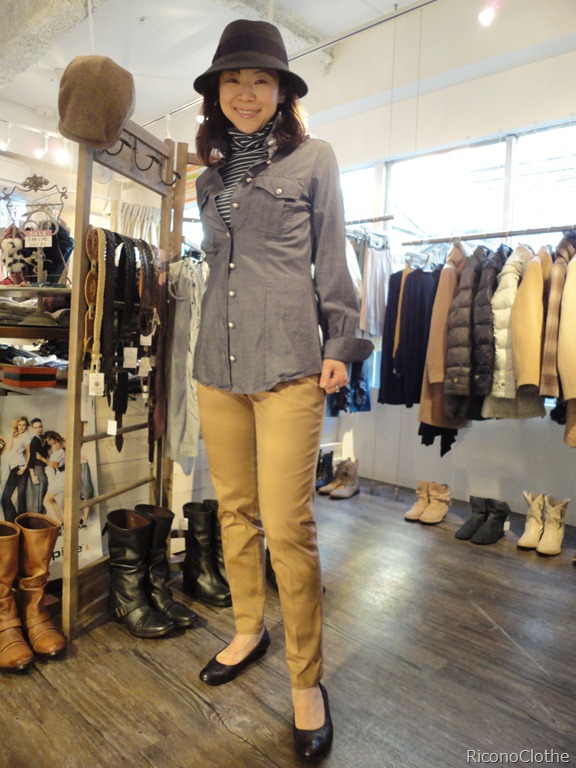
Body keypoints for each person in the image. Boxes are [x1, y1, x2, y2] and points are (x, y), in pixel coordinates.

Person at [192, 19, 373, 761]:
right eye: (233, 80)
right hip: (217, 364)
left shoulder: (314, 158)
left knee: (288, 524)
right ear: (216, 92)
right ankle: (247, 630)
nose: (246, 92)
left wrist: (342, 344)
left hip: (292, 364)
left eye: (260, 80)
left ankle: (306, 679)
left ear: (281, 91)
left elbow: (334, 256)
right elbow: (219, 269)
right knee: (233, 510)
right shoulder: (207, 181)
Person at [1, 416, 32, 522]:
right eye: (19, 425)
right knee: (5, 498)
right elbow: (9, 448)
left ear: (26, 426)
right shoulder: (14, 435)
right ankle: (13, 521)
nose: (21, 427)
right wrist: (11, 434)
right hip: (13, 468)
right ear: (16, 425)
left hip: (21, 466)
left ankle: (21, 523)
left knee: (21, 496)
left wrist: (25, 467)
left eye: (24, 425)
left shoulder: (26, 437)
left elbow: (29, 453)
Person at [37, 430, 66, 525]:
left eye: (49, 440)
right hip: (60, 476)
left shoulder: (60, 451)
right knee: (51, 500)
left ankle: (57, 522)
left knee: (46, 501)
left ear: (54, 440)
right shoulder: (57, 450)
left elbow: (54, 465)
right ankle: (62, 522)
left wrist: (41, 458)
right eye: (46, 441)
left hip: (62, 478)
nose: (48, 443)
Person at [27, 417, 49, 514]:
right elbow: (32, 459)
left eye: (40, 427)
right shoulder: (34, 441)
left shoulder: (43, 438)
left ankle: (41, 516)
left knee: (43, 493)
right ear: (32, 429)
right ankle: (36, 517)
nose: (38, 429)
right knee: (38, 495)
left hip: (44, 468)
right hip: (37, 469)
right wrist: (33, 475)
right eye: (35, 428)